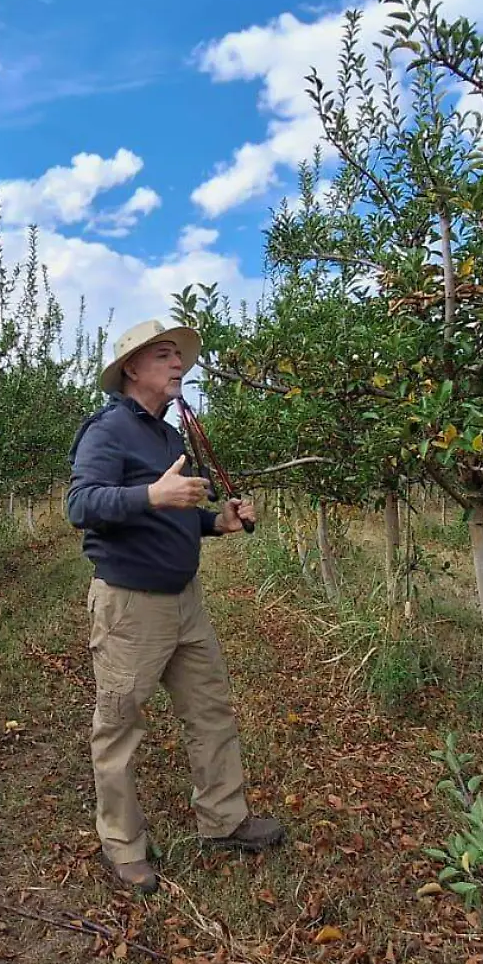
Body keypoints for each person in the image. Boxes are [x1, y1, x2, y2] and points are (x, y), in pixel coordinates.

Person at [65, 318, 286, 895]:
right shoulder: (107, 430)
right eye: (164, 355)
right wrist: (151, 494)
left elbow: (179, 514)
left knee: (210, 712)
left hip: (186, 601)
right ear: (132, 368)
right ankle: (122, 844)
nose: (177, 364)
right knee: (119, 727)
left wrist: (218, 522)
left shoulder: (169, 436)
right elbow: (80, 504)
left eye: (179, 356)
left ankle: (224, 820)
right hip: (131, 607)